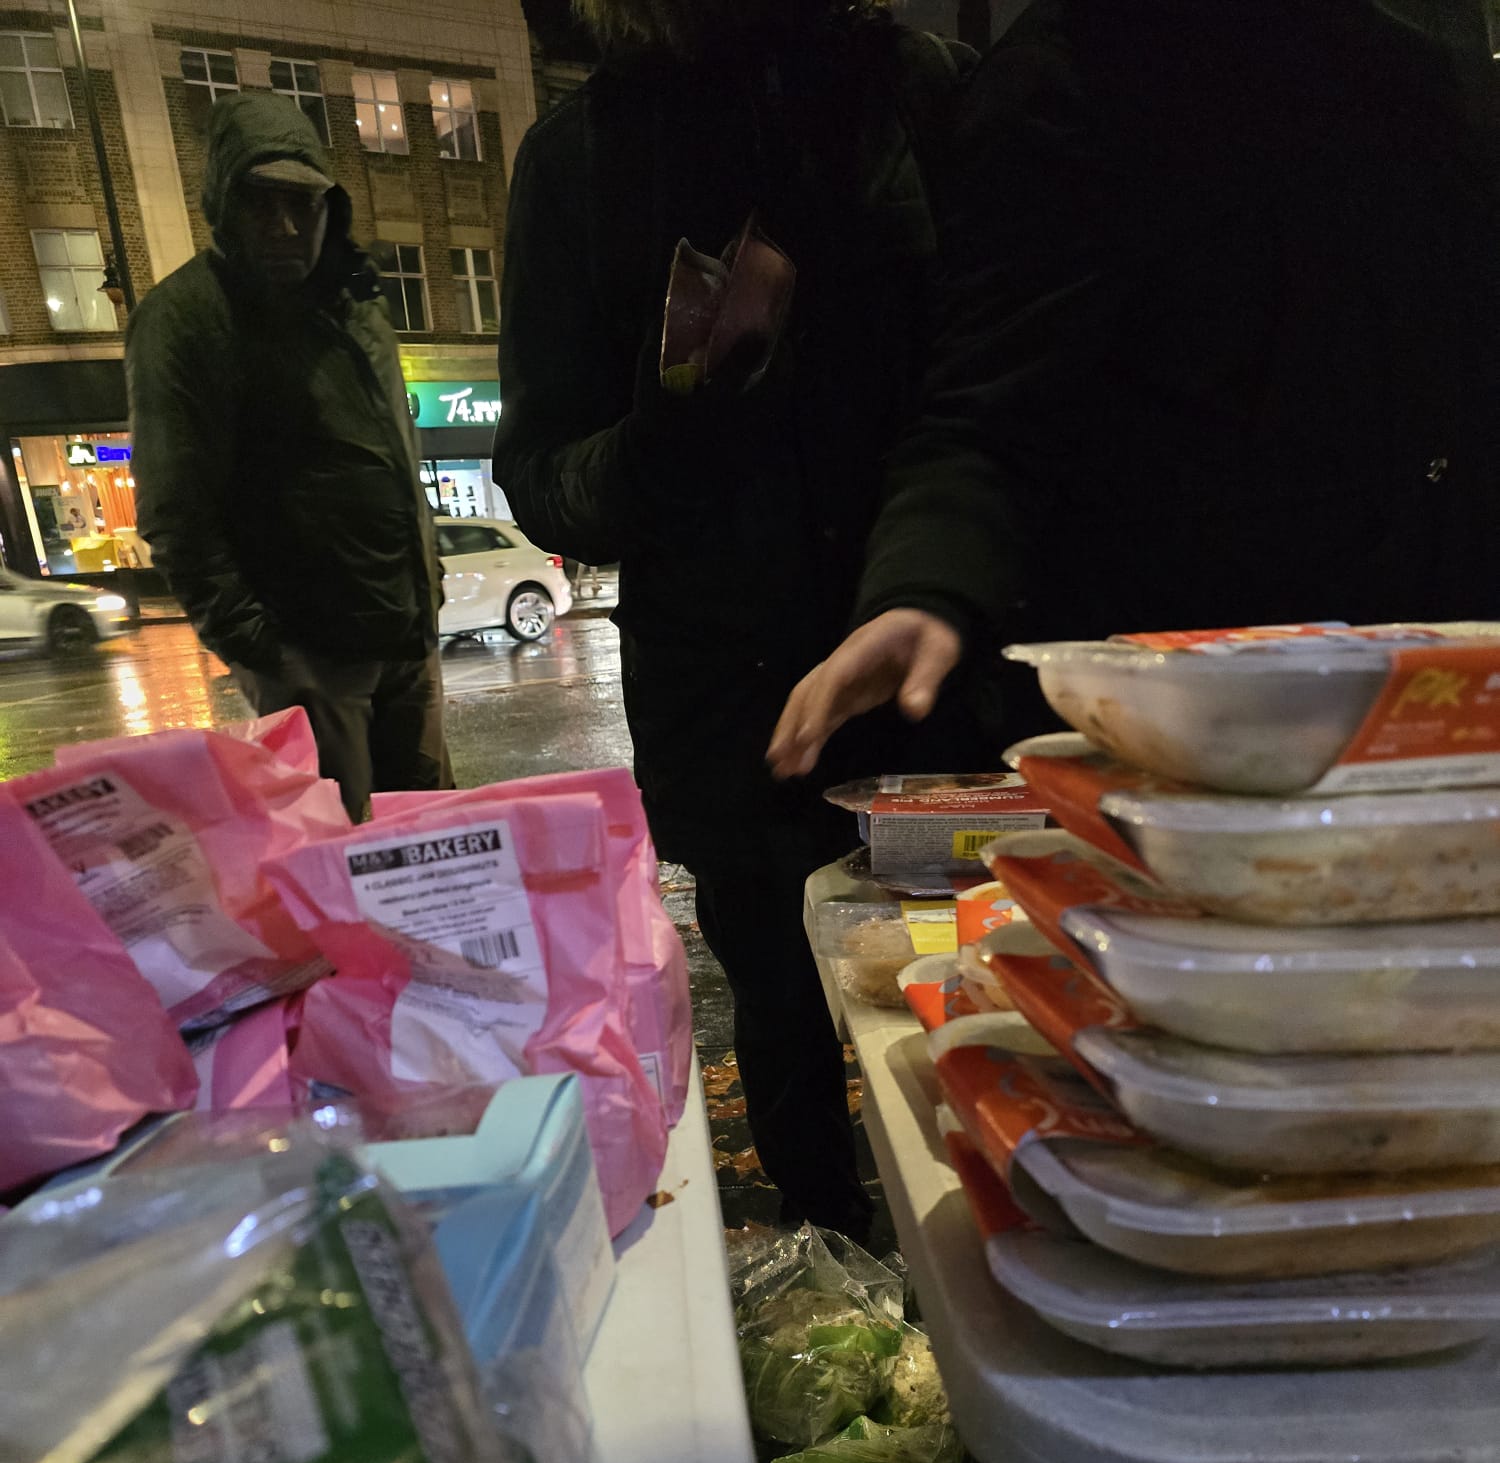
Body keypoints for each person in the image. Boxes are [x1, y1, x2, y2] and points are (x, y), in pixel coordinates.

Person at [494, 0, 1005, 1237]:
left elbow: (1011, 391)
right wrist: (661, 435)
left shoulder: (929, 97)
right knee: (779, 1012)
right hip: (735, 705)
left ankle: (987, 1257)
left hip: (938, 683)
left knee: (982, 1008)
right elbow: (544, 475)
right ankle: (830, 1250)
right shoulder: (585, 154)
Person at [768, 0, 1500, 780]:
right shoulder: (1072, 80)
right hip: (1190, 710)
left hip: (1429, 686)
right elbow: (991, 409)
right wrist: (925, 591)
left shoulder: (1409, 72)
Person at [127, 95, 449, 821]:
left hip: (405, 638)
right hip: (312, 662)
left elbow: (398, 458)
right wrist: (270, 655)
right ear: (224, 206)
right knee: (341, 857)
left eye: (302, 204)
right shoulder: (187, 319)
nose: (285, 226)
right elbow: (176, 513)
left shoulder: (354, 302)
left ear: (328, 208)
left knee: (430, 847)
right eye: (260, 203)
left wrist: (426, 582)